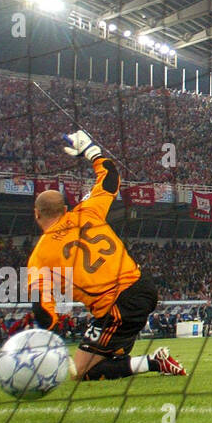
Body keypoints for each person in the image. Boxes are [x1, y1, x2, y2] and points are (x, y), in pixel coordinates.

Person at [26, 130, 186, 381]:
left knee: (81, 373)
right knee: (97, 360)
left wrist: (47, 339)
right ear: (65, 209)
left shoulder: (39, 256)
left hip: (118, 307)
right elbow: (111, 178)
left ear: (36, 214)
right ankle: (126, 356)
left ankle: (153, 362)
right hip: (141, 287)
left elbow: (42, 309)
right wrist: (91, 150)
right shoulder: (86, 211)